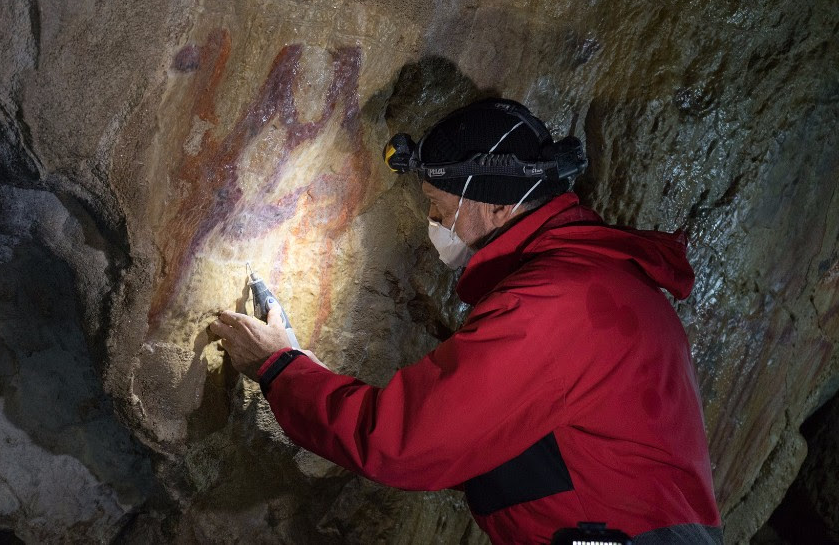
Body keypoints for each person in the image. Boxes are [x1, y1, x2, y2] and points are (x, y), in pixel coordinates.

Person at [211, 98, 722, 544]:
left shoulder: (556, 303)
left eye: (437, 206)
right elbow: (494, 441)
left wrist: (280, 368)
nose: (433, 224)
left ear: (496, 205)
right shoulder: (602, 281)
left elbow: (406, 443)